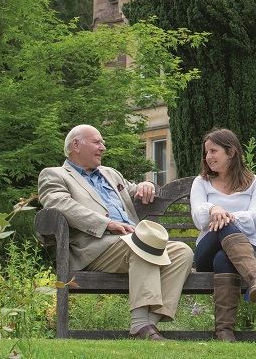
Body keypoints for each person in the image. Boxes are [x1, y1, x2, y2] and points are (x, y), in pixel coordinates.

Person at [38, 124, 194, 341]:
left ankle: (150, 324)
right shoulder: (54, 175)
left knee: (183, 252)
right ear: (76, 145)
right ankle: (139, 325)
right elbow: (60, 204)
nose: (103, 147)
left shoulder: (111, 174)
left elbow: (133, 189)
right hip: (95, 247)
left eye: (102, 143)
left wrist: (146, 185)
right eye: (97, 142)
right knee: (141, 245)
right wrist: (105, 223)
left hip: (130, 242)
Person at [190, 128, 256, 342]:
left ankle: (225, 331)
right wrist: (212, 209)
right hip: (206, 254)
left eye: (213, 151)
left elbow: (254, 218)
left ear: (232, 152)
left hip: (247, 251)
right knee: (222, 232)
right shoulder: (201, 182)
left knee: (224, 257)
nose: (208, 157)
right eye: (206, 152)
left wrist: (222, 215)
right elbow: (200, 220)